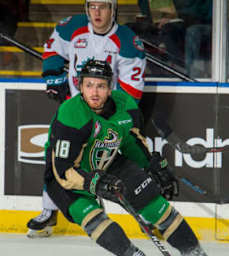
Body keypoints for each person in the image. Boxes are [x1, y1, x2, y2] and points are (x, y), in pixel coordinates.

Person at [41, 59, 229, 256]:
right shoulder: (70, 113)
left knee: (157, 207)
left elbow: (131, 142)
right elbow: (62, 169)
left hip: (110, 162)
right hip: (69, 175)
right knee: (93, 218)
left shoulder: (125, 105)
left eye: (101, 86)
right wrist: (94, 184)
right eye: (89, 85)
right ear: (80, 86)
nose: (95, 92)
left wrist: (150, 165)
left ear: (110, 88)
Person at [27, 0, 146, 237]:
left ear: (114, 10)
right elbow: (52, 51)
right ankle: (50, 209)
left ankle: (145, 211)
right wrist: (54, 77)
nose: (97, 12)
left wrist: (108, 113)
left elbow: (131, 90)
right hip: (76, 111)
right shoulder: (72, 28)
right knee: (56, 155)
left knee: (125, 160)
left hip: (109, 115)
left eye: (103, 7)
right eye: (92, 6)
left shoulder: (127, 41)